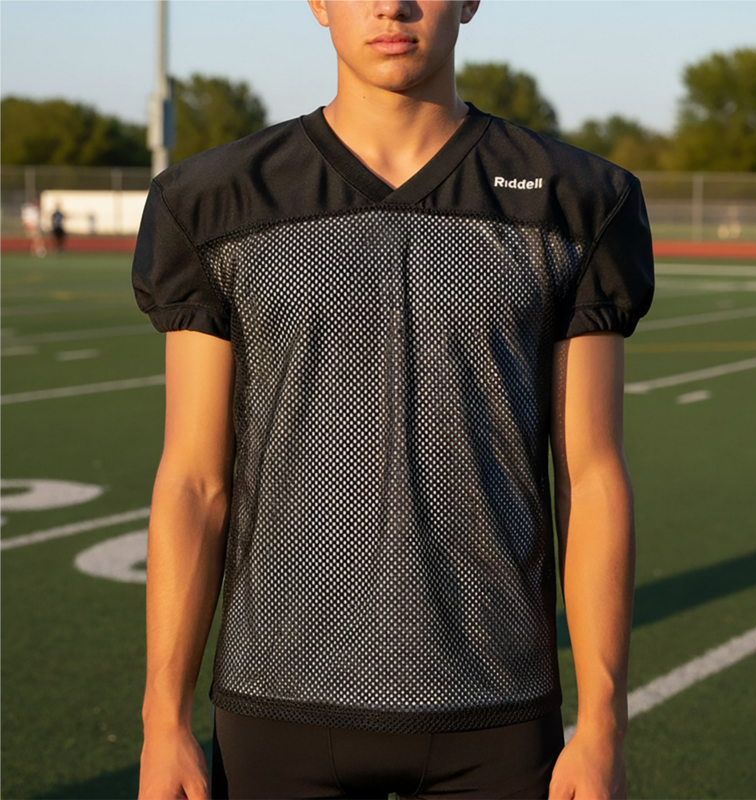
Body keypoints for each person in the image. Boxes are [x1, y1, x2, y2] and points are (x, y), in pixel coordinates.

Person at [132, 1, 655, 799]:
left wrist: (605, 722)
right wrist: (162, 720)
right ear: (317, 3)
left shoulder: (574, 199)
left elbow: (591, 478)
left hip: (495, 707)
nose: (392, 5)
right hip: (277, 700)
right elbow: (194, 482)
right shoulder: (217, 199)